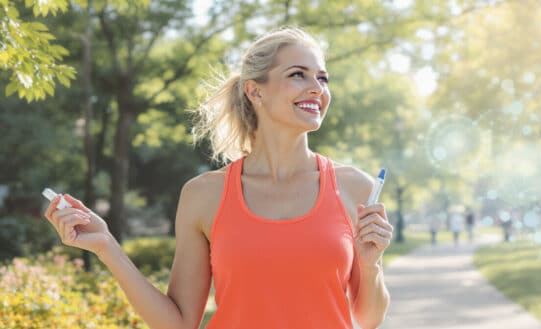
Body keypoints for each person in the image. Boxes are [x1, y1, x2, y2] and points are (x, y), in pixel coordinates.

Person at [44, 27, 392, 329]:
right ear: (255, 91)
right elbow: (178, 322)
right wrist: (108, 248)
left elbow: (368, 318)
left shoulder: (355, 188)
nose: (317, 88)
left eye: (322, 77)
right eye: (298, 74)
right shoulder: (204, 195)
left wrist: (369, 262)